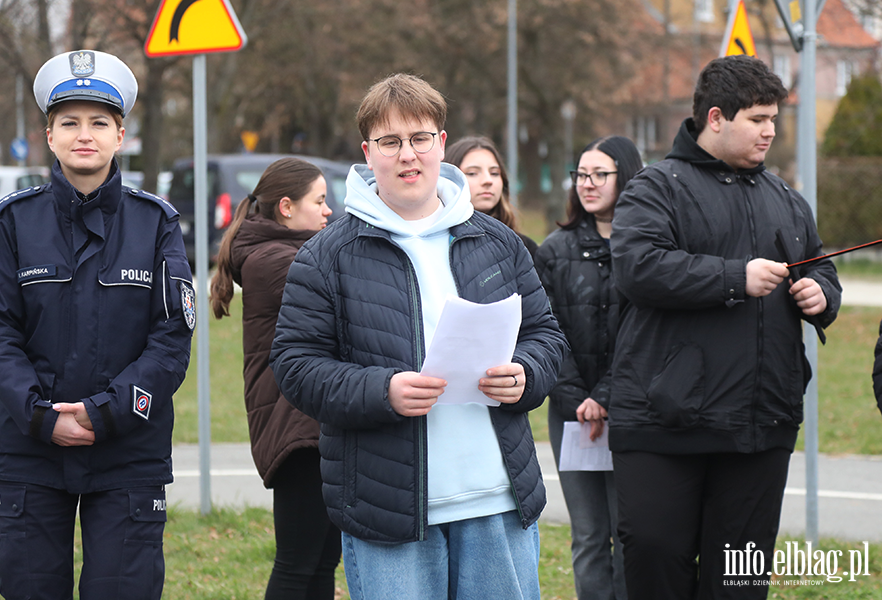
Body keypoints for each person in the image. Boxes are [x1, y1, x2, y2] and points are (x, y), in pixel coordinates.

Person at [269, 73, 568, 600]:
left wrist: (525, 375)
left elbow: (545, 335)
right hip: (388, 509)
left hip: (497, 498)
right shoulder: (326, 255)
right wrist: (383, 391)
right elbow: (295, 365)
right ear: (368, 152)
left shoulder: (496, 241)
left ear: (442, 144)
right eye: (390, 141)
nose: (408, 155)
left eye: (420, 138)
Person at [608, 55, 841, 599]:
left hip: (761, 424)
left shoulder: (786, 198)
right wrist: (734, 277)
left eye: (774, 119)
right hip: (664, 424)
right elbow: (638, 267)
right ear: (716, 117)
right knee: (655, 558)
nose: (770, 131)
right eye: (758, 119)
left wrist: (820, 293)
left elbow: (819, 265)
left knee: (737, 583)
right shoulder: (655, 187)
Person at [0, 50, 194, 599]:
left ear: (120, 135)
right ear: (48, 136)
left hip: (128, 452)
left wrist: (106, 413)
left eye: (99, 122)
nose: (85, 134)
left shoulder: (156, 225)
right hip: (31, 450)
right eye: (69, 122)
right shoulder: (12, 223)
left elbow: (171, 338)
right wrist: (38, 415)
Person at [209, 157, 340, 599]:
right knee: (297, 565)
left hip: (313, 422)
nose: (328, 211)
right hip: (296, 427)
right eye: (320, 201)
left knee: (321, 563)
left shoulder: (290, 253)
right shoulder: (276, 262)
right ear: (286, 207)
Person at [534, 135, 642, 600]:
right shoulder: (554, 250)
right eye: (581, 175)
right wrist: (581, 400)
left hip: (635, 411)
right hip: (571, 415)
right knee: (590, 536)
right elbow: (542, 329)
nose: (588, 184)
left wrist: (608, 397)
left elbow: (647, 335)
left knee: (631, 533)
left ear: (627, 177)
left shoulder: (647, 248)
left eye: (600, 174)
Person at [445, 136, 539, 257]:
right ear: (450, 180)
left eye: (494, 173)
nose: (488, 180)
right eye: (472, 173)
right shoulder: (435, 245)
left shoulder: (525, 248)